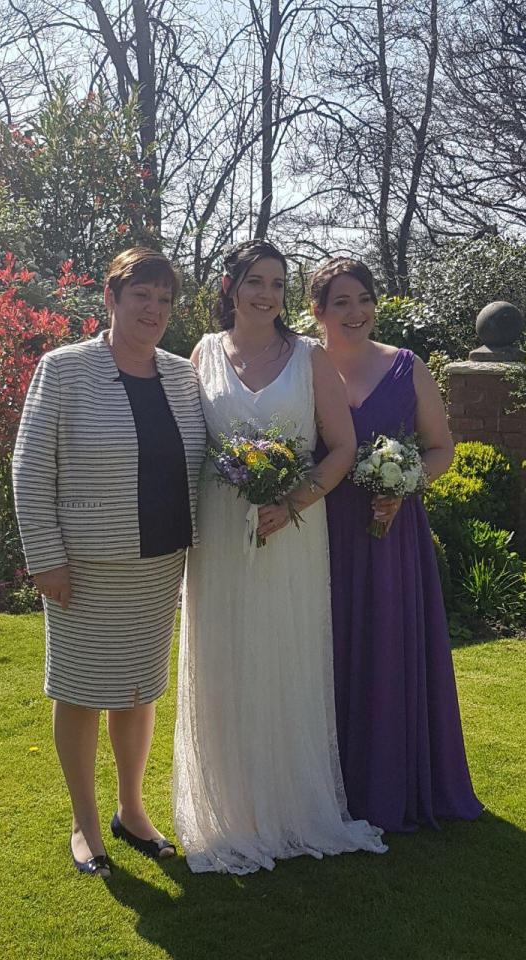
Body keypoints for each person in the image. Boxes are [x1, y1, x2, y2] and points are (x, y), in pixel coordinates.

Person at [173, 239, 387, 873]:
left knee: (282, 655)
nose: (266, 294)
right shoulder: (203, 355)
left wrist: (292, 501)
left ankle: (291, 805)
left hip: (293, 530)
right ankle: (230, 811)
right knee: (225, 660)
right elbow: (189, 444)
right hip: (219, 534)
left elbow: (342, 448)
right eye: (255, 281)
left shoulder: (310, 359)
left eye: (277, 284)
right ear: (230, 285)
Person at [12, 247, 206, 877]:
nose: (154, 309)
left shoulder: (181, 375)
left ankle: (131, 809)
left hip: (158, 564)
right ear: (112, 299)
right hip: (85, 567)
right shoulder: (63, 370)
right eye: (141, 296)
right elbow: (30, 467)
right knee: (79, 691)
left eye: (164, 299)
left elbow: (204, 462)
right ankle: (85, 824)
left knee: (139, 690)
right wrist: (46, 557)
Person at [311, 257, 483, 832]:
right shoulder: (301, 368)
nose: (356, 312)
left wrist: (405, 483)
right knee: (321, 649)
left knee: (385, 645)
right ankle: (318, 786)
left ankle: (386, 783)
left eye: (364, 299)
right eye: (341, 302)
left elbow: (440, 448)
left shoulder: (407, 367)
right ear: (318, 311)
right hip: (319, 531)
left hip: (388, 533)